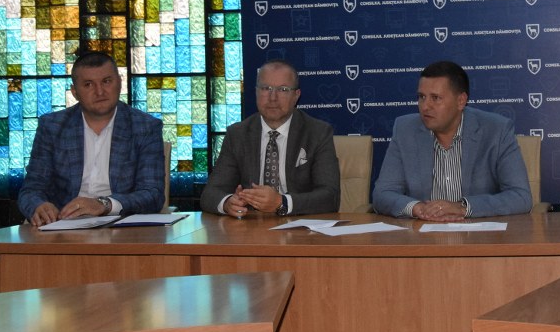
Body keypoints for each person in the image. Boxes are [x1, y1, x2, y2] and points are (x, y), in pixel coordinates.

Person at [18, 51, 165, 226]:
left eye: (106, 81)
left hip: (122, 226)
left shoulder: (145, 127)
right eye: (88, 84)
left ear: (119, 82)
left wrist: (104, 205)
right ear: (74, 92)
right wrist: (39, 206)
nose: (99, 91)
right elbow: (31, 189)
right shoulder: (52, 127)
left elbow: (152, 194)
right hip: (63, 226)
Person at [372, 60, 532, 220]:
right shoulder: (405, 129)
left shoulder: (497, 130)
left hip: (478, 232)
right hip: (421, 230)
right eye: (421, 97)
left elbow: (520, 197)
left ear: (461, 101)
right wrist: (417, 208)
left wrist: (463, 208)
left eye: (435, 98)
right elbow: (383, 194)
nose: (425, 106)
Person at [201, 59, 340, 216]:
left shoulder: (317, 133)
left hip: (298, 224)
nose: (273, 97)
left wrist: (282, 202)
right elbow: (211, 193)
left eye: (283, 89)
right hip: (251, 225)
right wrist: (228, 203)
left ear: (296, 96)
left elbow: (330, 197)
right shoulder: (237, 134)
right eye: (266, 88)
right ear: (256, 92)